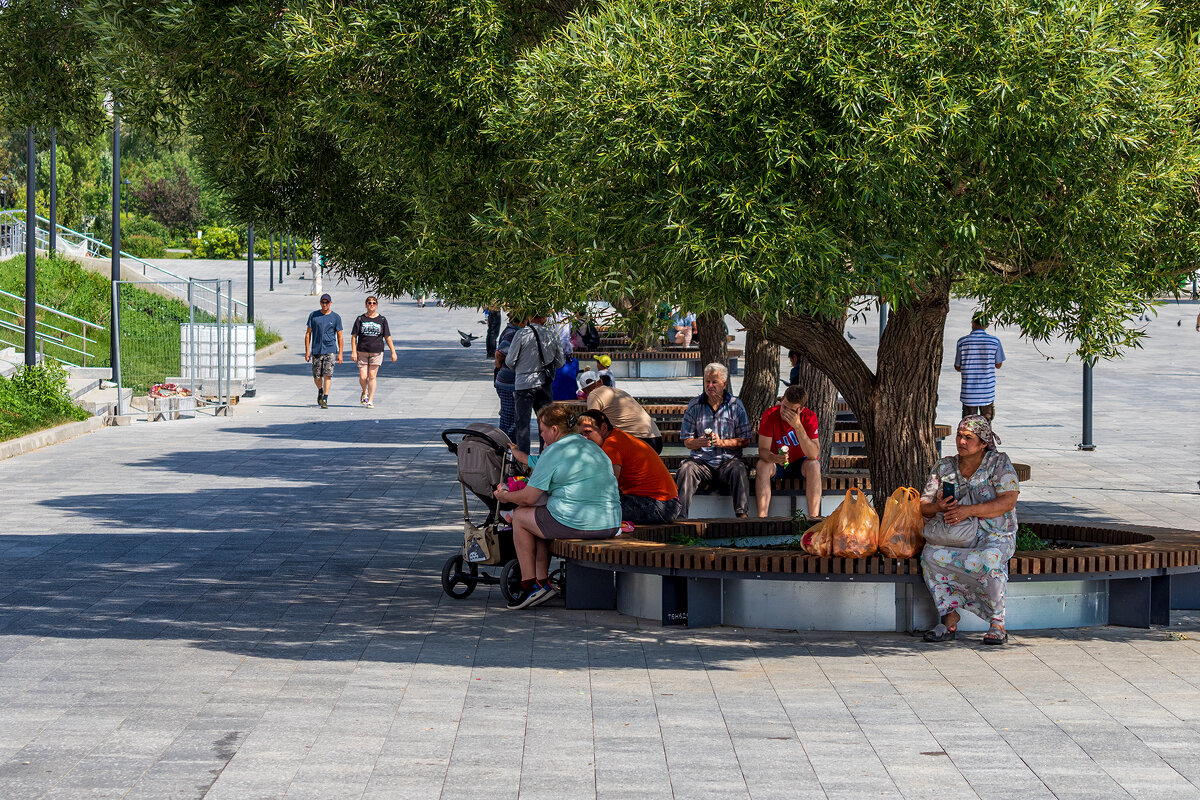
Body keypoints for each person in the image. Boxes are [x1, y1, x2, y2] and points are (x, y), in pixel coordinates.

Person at [495, 404, 621, 609]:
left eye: (543, 431)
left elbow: (528, 498)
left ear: (554, 430)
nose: (542, 436)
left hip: (580, 522)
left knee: (520, 516)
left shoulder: (555, 451)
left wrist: (505, 496)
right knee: (538, 518)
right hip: (611, 522)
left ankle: (529, 585)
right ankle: (542, 582)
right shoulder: (589, 445)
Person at [919, 415, 1020, 645]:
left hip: (994, 535)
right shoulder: (945, 466)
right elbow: (923, 506)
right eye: (959, 436)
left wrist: (969, 510)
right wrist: (938, 506)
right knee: (931, 556)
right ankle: (949, 616)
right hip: (956, 536)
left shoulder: (998, 463)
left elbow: (1008, 501)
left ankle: (997, 623)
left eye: (968, 438)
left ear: (983, 443)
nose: (961, 442)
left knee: (989, 559)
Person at [675, 363, 754, 518]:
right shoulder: (695, 405)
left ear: (724, 384)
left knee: (739, 469)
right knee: (686, 469)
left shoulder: (735, 405)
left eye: (714, 382)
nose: (710, 386)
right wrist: (700, 442)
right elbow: (687, 440)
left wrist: (722, 442)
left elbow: (745, 440)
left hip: (728, 462)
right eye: (707, 382)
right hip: (701, 462)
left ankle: (742, 517)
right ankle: (680, 518)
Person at [577, 409, 682, 524]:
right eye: (581, 434)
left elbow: (608, 486)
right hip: (666, 502)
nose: (584, 438)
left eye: (588, 432)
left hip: (661, 506)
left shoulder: (611, 445)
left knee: (591, 511)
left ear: (603, 428)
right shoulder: (617, 436)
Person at [755, 384, 822, 518]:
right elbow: (762, 451)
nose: (784, 411)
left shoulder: (809, 416)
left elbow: (813, 454)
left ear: (800, 409)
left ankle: (813, 519)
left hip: (800, 463)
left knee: (814, 465)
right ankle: (762, 519)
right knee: (762, 465)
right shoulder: (770, 414)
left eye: (791, 410)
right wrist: (774, 458)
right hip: (776, 462)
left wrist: (798, 426)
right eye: (783, 406)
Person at [505, 312, 565, 454]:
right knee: (546, 422)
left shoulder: (521, 334)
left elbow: (509, 361)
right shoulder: (552, 335)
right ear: (544, 318)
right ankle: (545, 457)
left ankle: (523, 461)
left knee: (523, 424)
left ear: (530, 317)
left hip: (524, 384)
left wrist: (522, 367)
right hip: (544, 383)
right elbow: (560, 362)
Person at [579, 372, 663, 453]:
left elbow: (590, 423)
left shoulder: (593, 394)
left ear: (583, 391)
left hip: (638, 440)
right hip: (656, 438)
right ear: (601, 381)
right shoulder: (618, 391)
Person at [954, 312, 1005, 421]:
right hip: (987, 392)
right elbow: (998, 364)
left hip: (968, 392)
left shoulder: (962, 342)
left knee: (968, 425)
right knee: (986, 424)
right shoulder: (995, 342)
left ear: (972, 323)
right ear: (987, 325)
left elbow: (958, 366)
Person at [349, 296, 396, 408]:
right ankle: (364, 392)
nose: (371, 305)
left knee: (372, 376)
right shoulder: (360, 319)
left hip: (377, 351)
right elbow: (354, 336)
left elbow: (387, 337)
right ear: (366, 305)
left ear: (377, 305)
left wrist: (393, 352)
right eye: (369, 303)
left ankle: (370, 400)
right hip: (362, 351)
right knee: (363, 377)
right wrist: (353, 351)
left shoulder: (382, 320)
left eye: (374, 303)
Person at [304, 293, 343, 409]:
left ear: (330, 303)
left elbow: (340, 336)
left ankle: (325, 398)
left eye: (327, 302)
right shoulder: (314, 315)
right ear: (320, 303)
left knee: (327, 375)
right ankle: (320, 390)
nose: (324, 304)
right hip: (316, 349)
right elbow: (308, 333)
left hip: (330, 349)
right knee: (317, 376)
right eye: (323, 302)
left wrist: (340, 353)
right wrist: (307, 351)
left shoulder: (336, 317)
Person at [494, 315, 524, 442]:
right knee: (510, 419)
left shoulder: (510, 330)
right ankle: (507, 447)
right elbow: (500, 353)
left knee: (508, 416)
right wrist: (500, 365)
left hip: (506, 380)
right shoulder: (512, 333)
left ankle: (507, 447)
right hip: (508, 382)